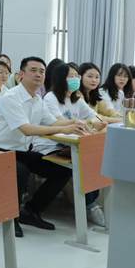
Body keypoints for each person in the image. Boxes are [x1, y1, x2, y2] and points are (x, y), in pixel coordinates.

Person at [0, 57, 88, 237]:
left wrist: (76, 122)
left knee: (62, 170)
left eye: (42, 71)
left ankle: (31, 210)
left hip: (21, 151)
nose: (38, 74)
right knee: (21, 172)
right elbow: (27, 129)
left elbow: (53, 121)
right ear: (21, 75)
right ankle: (10, 218)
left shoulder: (37, 99)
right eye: (33, 70)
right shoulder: (11, 97)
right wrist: (64, 128)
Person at [39, 62, 107, 227]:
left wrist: (97, 122)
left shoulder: (76, 98)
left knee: (96, 157)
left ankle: (92, 202)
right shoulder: (50, 98)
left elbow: (93, 116)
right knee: (86, 160)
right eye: (71, 76)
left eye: (77, 76)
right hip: (50, 144)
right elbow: (57, 122)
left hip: (72, 144)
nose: (75, 79)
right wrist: (82, 123)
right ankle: (89, 205)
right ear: (60, 78)